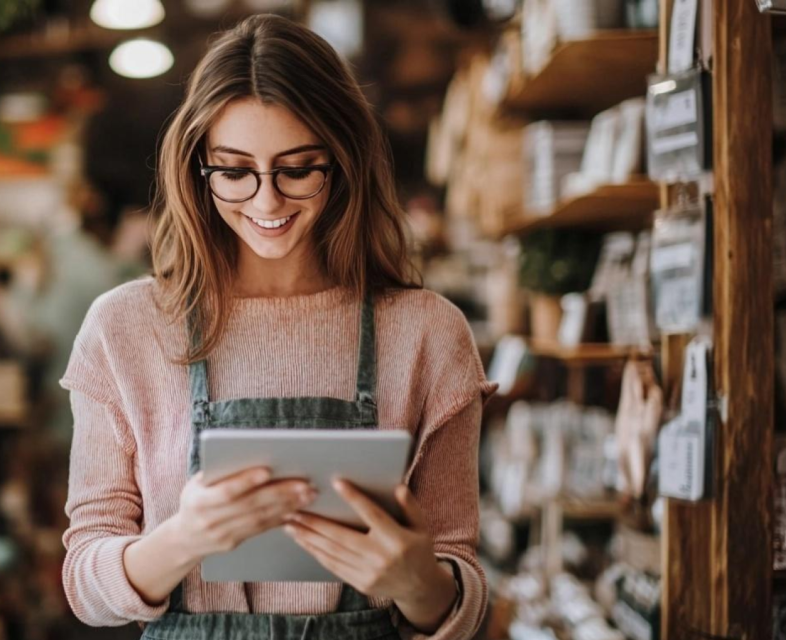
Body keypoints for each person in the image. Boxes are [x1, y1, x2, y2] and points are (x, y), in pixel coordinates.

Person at [60, 14, 496, 640]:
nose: (266, 202)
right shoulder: (126, 329)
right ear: (197, 168)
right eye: (234, 171)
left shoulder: (427, 333)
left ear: (343, 162)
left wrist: (419, 581)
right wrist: (181, 541)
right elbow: (85, 585)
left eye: (298, 168)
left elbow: (465, 589)